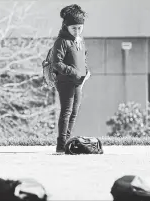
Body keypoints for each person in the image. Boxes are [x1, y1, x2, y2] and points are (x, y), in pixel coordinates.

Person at [51, 4, 91, 153]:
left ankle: (67, 141)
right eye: (74, 28)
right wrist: (73, 72)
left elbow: (83, 58)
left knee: (74, 113)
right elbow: (57, 63)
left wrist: (86, 71)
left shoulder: (79, 40)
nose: (77, 31)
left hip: (78, 82)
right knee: (66, 112)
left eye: (80, 28)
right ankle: (61, 145)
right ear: (66, 26)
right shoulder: (62, 41)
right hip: (65, 82)